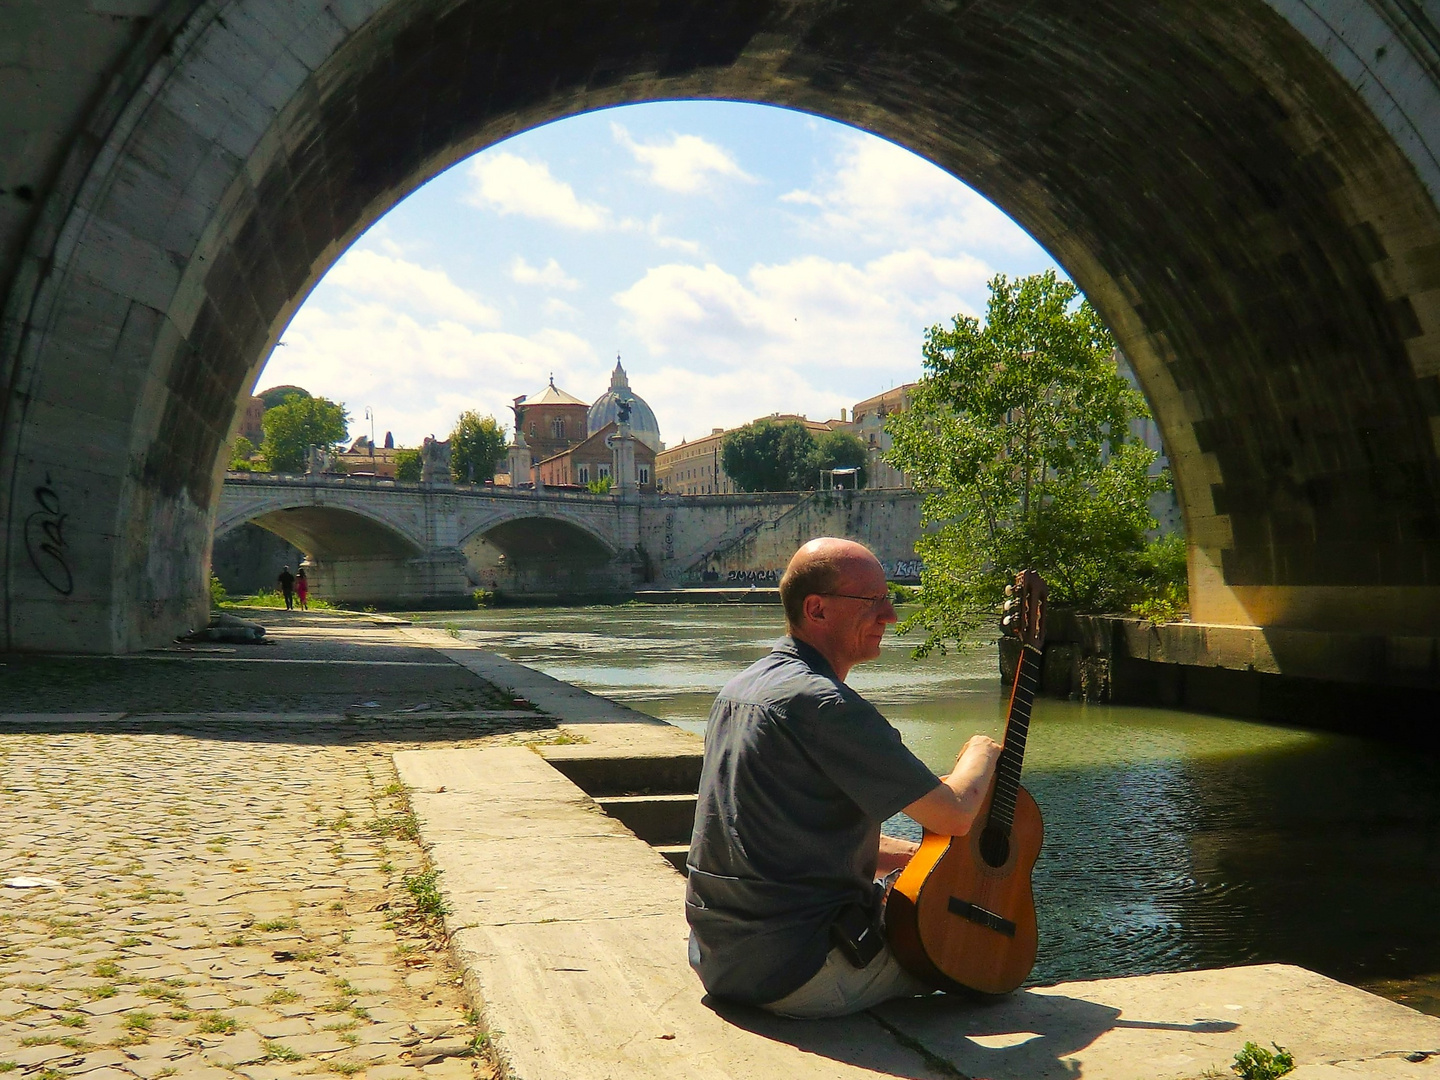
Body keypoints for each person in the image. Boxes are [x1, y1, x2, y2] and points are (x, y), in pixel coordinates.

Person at [685, 537, 1003, 1018]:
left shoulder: (739, 689)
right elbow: (956, 813)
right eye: (873, 601)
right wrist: (980, 753)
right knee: (972, 953)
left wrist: (920, 859)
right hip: (796, 971)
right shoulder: (825, 706)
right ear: (816, 609)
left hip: (722, 960)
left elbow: (789, 844)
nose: (890, 616)